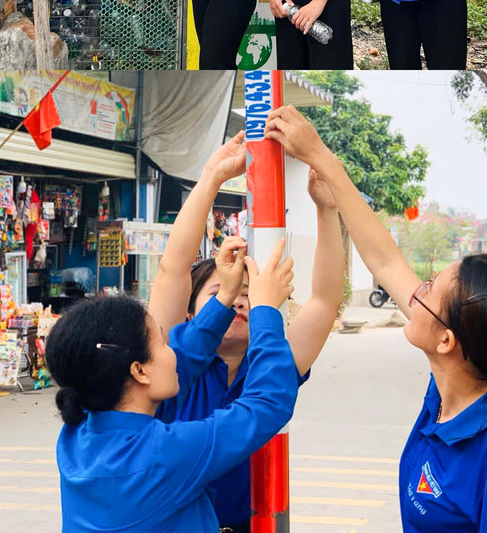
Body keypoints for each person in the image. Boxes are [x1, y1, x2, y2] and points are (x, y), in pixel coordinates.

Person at [260, 104, 487, 531]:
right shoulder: (446, 394)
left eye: (428, 290)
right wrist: (325, 177)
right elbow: (385, 259)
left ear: (447, 340)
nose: (414, 290)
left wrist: (323, 158)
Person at [146, 133, 345, 533]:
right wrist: (210, 179)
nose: (239, 301)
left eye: (252, 295)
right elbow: (172, 269)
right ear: (189, 311)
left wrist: (327, 210)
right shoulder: (169, 362)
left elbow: (324, 300)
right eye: (221, 291)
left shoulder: (272, 362)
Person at [47, 241, 297, 533]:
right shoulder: (165, 455)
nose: (173, 350)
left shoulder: (78, 434)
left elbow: (187, 353)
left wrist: (225, 296)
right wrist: (265, 312)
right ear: (139, 371)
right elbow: (266, 405)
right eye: (162, 343)